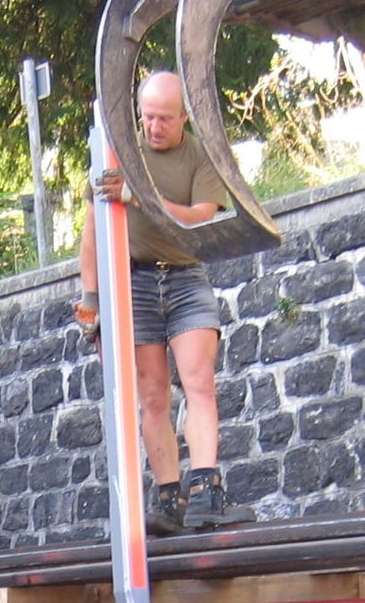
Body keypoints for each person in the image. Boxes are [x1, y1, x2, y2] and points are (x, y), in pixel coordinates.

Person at [76, 70, 254, 533]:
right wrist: (91, 302)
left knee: (199, 383)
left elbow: (199, 219)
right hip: (134, 282)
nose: (153, 128)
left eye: (163, 119)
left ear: (184, 117)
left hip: (185, 276)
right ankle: (169, 496)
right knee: (152, 395)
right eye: (146, 117)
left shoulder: (201, 155)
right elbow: (92, 232)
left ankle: (204, 489)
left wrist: (140, 197)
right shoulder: (119, 154)